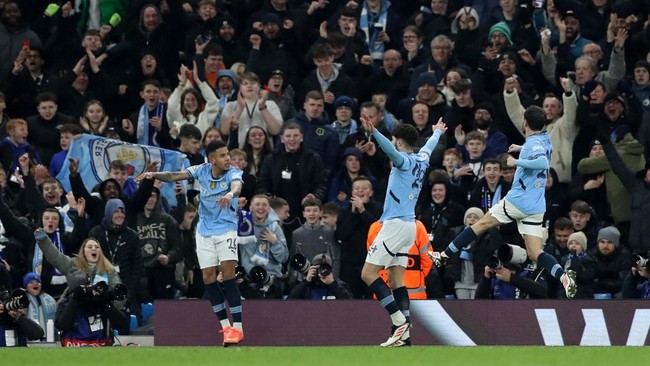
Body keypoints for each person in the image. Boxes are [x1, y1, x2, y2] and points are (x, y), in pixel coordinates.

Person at [430, 106, 578, 300]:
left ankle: (444, 255)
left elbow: (542, 163)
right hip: (536, 204)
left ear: (524, 122)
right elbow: (538, 151)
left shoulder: (534, 144)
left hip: (519, 199)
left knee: (480, 225)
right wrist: (520, 149)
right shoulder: (545, 138)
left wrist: (516, 162)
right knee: (535, 252)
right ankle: (563, 276)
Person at [135, 140, 244, 346]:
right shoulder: (201, 170)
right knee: (208, 278)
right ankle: (226, 327)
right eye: (222, 155)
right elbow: (175, 175)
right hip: (203, 231)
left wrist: (230, 194)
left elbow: (237, 186)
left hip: (226, 230)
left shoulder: (233, 173)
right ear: (212, 160)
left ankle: (238, 327)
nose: (227, 158)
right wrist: (153, 175)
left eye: (227, 154)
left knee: (228, 275)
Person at [360, 112, 446, 348]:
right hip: (409, 225)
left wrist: (375, 132)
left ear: (398, 141)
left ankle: (399, 323)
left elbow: (390, 151)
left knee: (368, 274)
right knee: (397, 279)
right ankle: (405, 336)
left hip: (395, 224)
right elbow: (429, 146)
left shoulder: (405, 161)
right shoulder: (422, 160)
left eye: (394, 139)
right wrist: (437, 131)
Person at [33, 231, 128, 346]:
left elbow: (118, 293)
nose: (94, 249)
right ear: (83, 251)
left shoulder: (109, 270)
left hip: (101, 312)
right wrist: (43, 240)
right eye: (90, 246)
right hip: (76, 309)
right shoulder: (73, 264)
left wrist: (108, 303)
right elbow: (55, 257)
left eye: (97, 247)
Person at [287, 254, 351, 300]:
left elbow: (351, 304)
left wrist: (332, 284)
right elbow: (289, 302)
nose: (322, 272)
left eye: (325, 269)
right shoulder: (307, 287)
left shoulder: (340, 285)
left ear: (331, 270)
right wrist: (306, 281)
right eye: (318, 269)